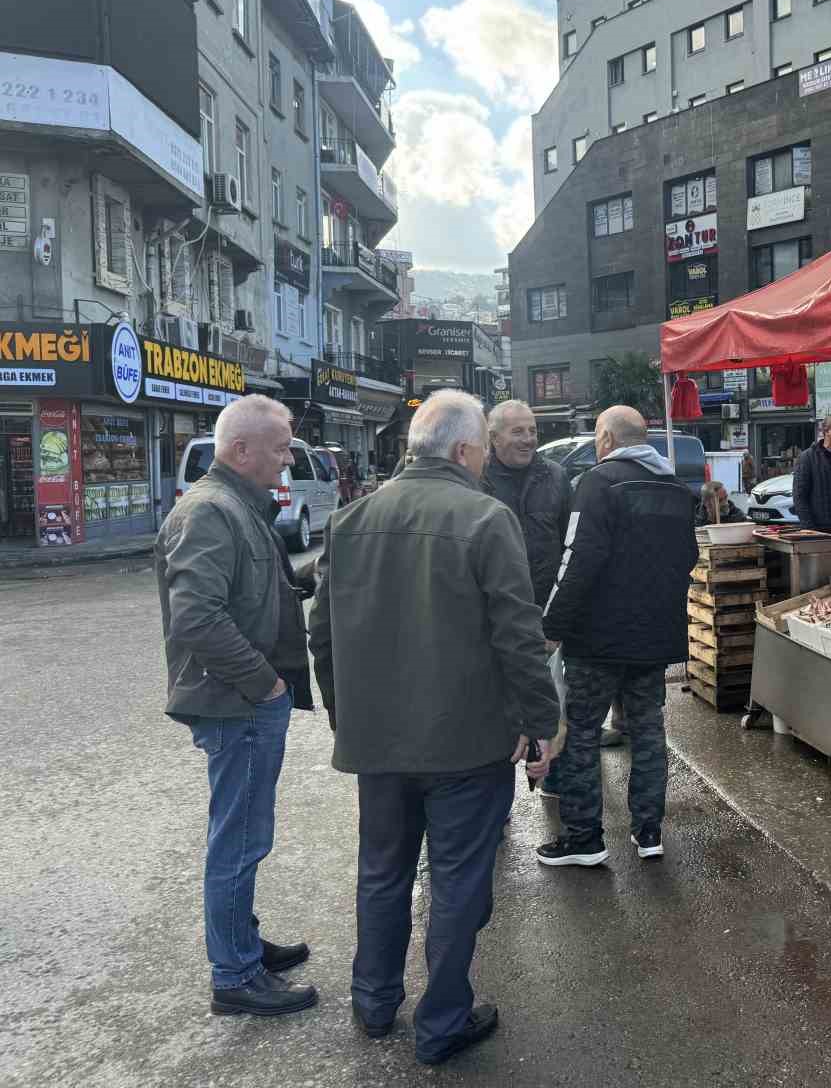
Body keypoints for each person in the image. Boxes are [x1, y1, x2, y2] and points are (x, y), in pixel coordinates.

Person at [307, 390, 562, 1066]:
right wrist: (542, 724)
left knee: (382, 873)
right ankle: (442, 1020)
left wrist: (344, 712)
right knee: (456, 882)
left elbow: (321, 631)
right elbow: (517, 634)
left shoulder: (351, 519)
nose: (482, 461)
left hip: (379, 742)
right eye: (480, 447)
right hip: (466, 743)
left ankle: (373, 1000)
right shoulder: (485, 518)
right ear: (460, 450)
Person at [155, 394, 318, 1018]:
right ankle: (235, 974)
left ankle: (242, 943)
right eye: (280, 448)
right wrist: (265, 684)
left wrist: (308, 578)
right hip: (238, 702)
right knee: (239, 841)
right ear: (240, 449)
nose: (287, 461)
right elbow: (198, 616)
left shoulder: (237, 507)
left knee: (245, 834)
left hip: (246, 699)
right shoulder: (210, 512)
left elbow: (255, 590)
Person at [537, 405, 698, 867]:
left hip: (598, 639)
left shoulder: (598, 483)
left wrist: (553, 626)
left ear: (605, 438)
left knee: (583, 732)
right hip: (654, 637)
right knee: (648, 730)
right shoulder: (674, 487)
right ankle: (648, 831)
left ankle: (584, 838)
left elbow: (577, 560)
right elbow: (686, 557)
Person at [482, 399, 573, 800]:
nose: (528, 438)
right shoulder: (477, 477)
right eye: (518, 431)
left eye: (532, 430)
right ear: (493, 436)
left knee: (551, 700)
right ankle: (493, 800)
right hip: (491, 618)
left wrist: (558, 618)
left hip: (544, 614)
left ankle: (551, 776)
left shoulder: (555, 476)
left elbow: (571, 547)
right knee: (494, 709)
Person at [792, 412, 831, 533]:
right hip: (821, 530)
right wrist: (809, 529)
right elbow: (799, 496)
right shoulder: (808, 458)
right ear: (827, 431)